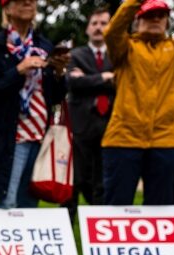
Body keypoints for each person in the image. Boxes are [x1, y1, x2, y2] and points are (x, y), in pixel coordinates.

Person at [101, 0, 174, 206]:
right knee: (117, 207)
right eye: (149, 15)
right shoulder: (125, 48)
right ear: (137, 20)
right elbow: (112, 32)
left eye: (161, 15)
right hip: (123, 139)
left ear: (168, 22)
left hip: (166, 140)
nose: (155, 19)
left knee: (161, 210)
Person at [0, 0, 69, 209]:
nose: (27, 2)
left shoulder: (44, 46)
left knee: (29, 205)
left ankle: (21, 243)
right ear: (7, 9)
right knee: (6, 202)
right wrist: (19, 69)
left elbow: (56, 97)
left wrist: (59, 73)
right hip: (9, 137)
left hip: (40, 135)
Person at [63, 6, 114, 221]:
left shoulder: (119, 54)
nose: (99, 28)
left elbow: (123, 82)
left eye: (104, 23)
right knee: (75, 179)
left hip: (110, 126)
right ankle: (66, 226)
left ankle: (100, 228)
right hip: (80, 127)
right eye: (94, 23)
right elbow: (72, 83)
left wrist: (87, 79)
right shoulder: (74, 55)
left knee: (102, 181)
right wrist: (105, 77)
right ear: (87, 28)